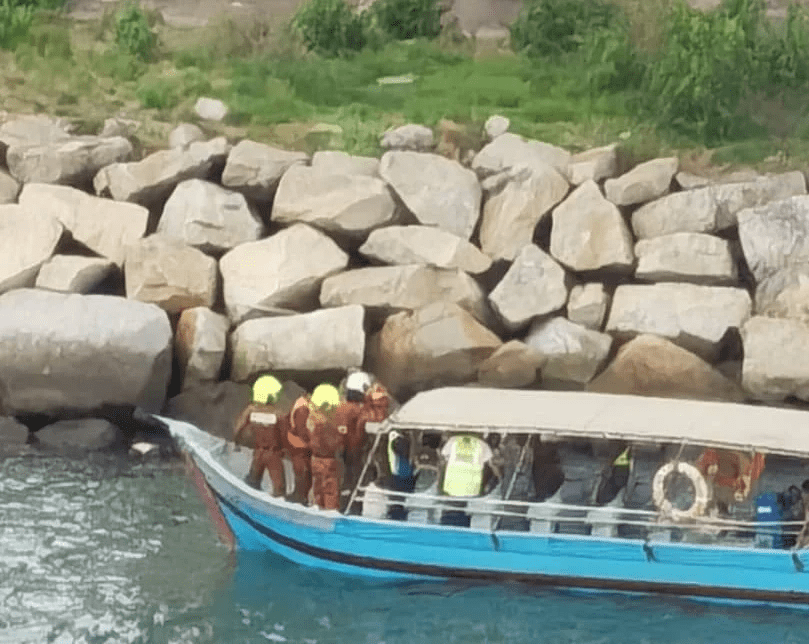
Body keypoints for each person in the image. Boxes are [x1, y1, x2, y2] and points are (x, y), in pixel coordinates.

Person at [233, 375, 287, 496]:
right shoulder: (278, 414)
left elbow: (238, 428)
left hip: (258, 453)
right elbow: (285, 435)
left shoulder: (251, 410)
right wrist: (284, 450)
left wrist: (236, 443)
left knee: (253, 482)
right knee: (279, 489)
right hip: (274, 454)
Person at [305, 383, 342, 510]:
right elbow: (333, 443)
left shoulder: (312, 418)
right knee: (330, 490)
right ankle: (329, 514)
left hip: (315, 459)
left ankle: (317, 509)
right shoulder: (328, 421)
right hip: (328, 459)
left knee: (318, 488)